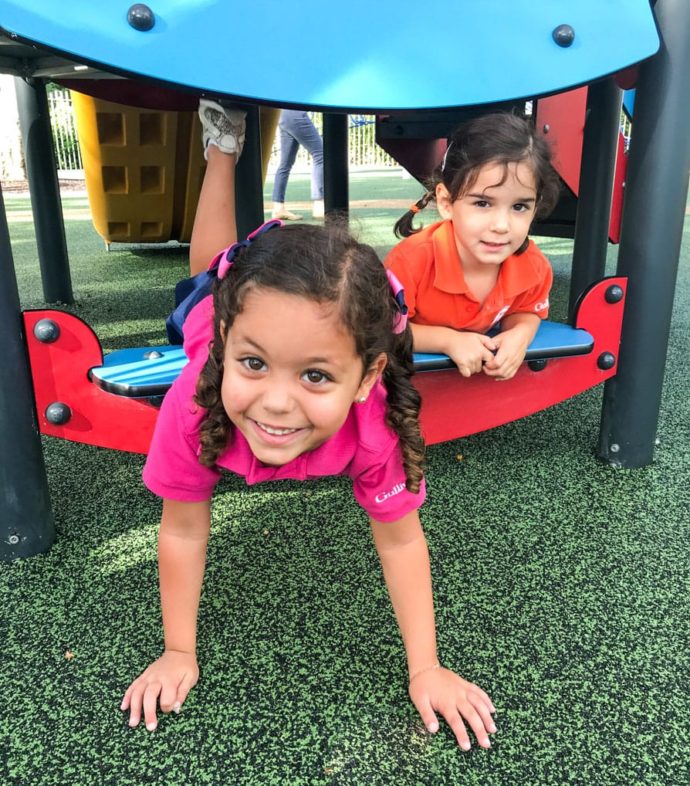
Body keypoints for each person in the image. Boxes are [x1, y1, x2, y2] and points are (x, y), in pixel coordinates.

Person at [120, 101, 497, 751]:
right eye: (255, 365)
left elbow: (402, 543)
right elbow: (182, 530)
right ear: (232, 354)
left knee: (349, 325)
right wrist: (178, 651)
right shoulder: (198, 399)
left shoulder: (374, 424)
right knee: (205, 279)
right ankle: (222, 148)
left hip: (331, 339)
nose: (274, 403)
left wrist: (426, 669)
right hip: (218, 318)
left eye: (316, 377)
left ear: (365, 381)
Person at [386, 112, 561, 381]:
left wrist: (520, 334)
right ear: (446, 202)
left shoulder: (533, 265)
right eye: (482, 203)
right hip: (409, 387)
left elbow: (526, 310)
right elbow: (384, 330)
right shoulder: (411, 262)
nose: (501, 225)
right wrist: (447, 340)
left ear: (535, 206)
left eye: (519, 206)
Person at [271, 109, 325, 221]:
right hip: (295, 114)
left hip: (283, 113)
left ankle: (278, 208)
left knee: (285, 163)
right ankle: (319, 205)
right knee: (321, 155)